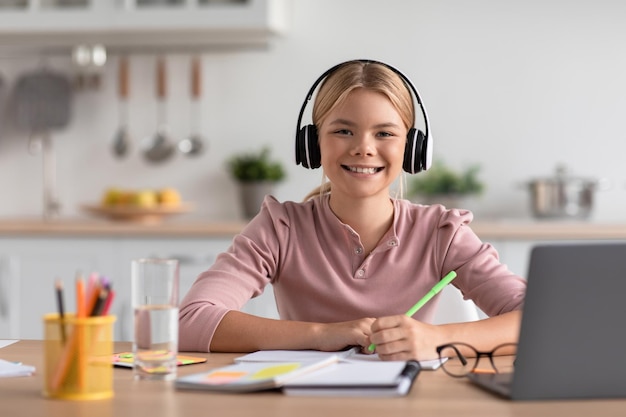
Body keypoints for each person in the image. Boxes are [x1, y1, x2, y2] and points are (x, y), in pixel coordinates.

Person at [179, 59, 526, 361]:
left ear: (412, 148)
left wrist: (436, 339)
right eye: (343, 130)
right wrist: (320, 335)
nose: (363, 148)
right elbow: (189, 321)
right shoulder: (280, 227)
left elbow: (538, 319)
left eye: (385, 133)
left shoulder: (441, 232)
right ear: (313, 143)